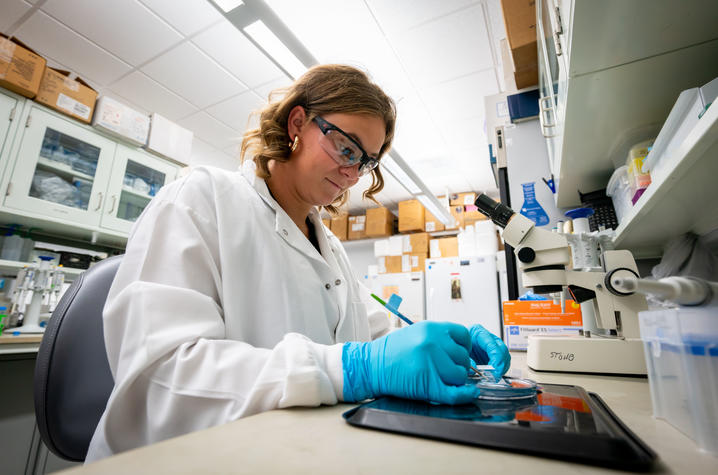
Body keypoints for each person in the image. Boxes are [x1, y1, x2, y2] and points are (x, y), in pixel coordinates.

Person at [86, 64, 510, 461]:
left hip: (294, 454)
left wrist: (439, 342)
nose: (352, 174)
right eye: (346, 148)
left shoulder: (331, 248)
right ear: (297, 124)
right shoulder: (202, 199)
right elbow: (161, 378)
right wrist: (349, 368)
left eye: (365, 163)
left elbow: (376, 336)